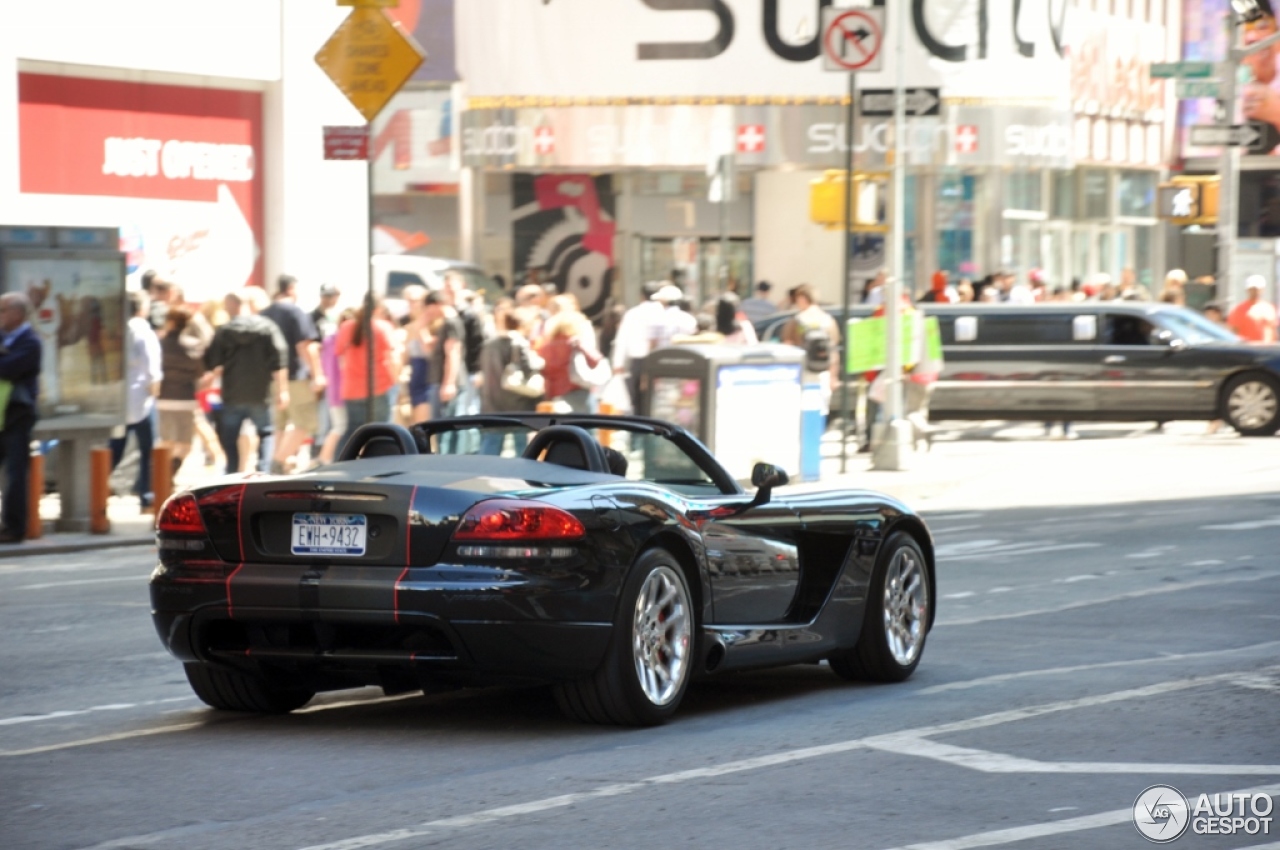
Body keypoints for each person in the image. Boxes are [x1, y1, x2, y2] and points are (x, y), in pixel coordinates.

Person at [203, 287, 288, 476]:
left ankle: (232, 472)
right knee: (265, 433)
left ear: (231, 305)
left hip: (233, 393)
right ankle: (263, 471)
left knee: (229, 436)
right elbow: (279, 361)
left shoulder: (225, 331)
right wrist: (282, 390)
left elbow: (212, 361)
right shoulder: (267, 327)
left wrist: (211, 378)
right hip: (260, 393)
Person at [260, 274, 324, 474]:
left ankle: (278, 463)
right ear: (290, 289)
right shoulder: (295, 312)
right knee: (303, 422)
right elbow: (305, 346)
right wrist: (317, 374)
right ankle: (278, 462)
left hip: (270, 378)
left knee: (279, 425)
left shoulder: (264, 313)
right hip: (295, 377)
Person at [110, 291, 163, 508]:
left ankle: (96, 493)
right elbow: (152, 369)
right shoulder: (144, 331)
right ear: (142, 308)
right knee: (148, 451)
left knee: (115, 449)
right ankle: (146, 495)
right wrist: (155, 391)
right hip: (142, 399)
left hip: (118, 399)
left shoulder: (118, 329)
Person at [0, 293, 42, 542]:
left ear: (18, 313)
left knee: (16, 474)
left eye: (3, 309)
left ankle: (14, 528)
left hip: (17, 416)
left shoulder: (31, 342)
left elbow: (7, 368)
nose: (0, 315)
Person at [336, 298, 400, 454]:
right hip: (378, 387)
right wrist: (397, 381)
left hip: (352, 388)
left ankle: (340, 463)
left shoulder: (346, 327)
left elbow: (340, 357)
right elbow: (394, 357)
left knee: (352, 431)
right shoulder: (382, 327)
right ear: (378, 309)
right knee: (381, 431)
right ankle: (380, 464)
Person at [478, 307, 544, 455]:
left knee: (491, 443)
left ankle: (482, 475)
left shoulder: (489, 344)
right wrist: (540, 361)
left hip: (492, 402)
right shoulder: (519, 343)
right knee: (522, 447)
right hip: (517, 403)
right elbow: (528, 368)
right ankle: (522, 476)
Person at [156, 306, 205, 482]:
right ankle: (171, 470)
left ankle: (161, 476)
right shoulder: (193, 346)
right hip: (186, 399)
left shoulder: (159, 344)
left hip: (163, 398)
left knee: (166, 441)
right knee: (185, 443)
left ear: (170, 322)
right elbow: (200, 372)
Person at [782, 283, 840, 427]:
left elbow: (787, 345)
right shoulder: (828, 320)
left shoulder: (797, 320)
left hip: (802, 372)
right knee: (821, 409)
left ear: (802, 299)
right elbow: (833, 350)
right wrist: (833, 377)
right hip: (823, 373)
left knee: (802, 411)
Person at [1228, 275, 1279, 343]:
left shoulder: (1269, 308)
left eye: (1258, 289)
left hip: (1268, 350)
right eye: (1253, 289)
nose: (1256, 292)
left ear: (1263, 290)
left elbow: (1273, 330)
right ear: (1247, 290)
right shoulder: (1239, 309)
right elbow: (1233, 332)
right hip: (1248, 350)